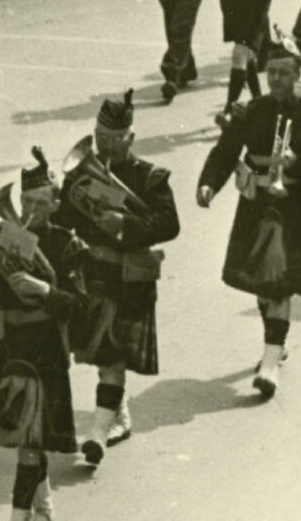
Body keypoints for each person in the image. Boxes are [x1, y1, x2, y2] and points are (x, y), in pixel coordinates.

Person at [196, 45, 301, 400]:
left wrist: (296, 163)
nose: (276, 79)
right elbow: (225, 152)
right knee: (263, 282)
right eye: (271, 72)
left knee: (278, 283)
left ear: (297, 76)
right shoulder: (250, 112)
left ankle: (271, 361)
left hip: (291, 207)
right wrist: (209, 183)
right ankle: (276, 341)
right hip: (255, 203)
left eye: (284, 73)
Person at [0, 150, 85, 515]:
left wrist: (45, 291)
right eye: (25, 201)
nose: (30, 210)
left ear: (56, 203)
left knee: (30, 440)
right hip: (6, 344)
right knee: (29, 438)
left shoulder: (65, 243)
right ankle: (42, 504)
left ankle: (20, 514)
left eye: (40, 202)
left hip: (44, 346)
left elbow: (81, 308)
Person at [58, 91, 179, 460]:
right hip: (93, 273)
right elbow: (64, 219)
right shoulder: (80, 174)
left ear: (130, 138)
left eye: (114, 139)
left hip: (131, 277)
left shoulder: (150, 177)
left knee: (112, 354)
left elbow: (170, 224)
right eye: (100, 137)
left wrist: (124, 224)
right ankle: (116, 411)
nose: (105, 146)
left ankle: (97, 431)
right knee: (102, 353)